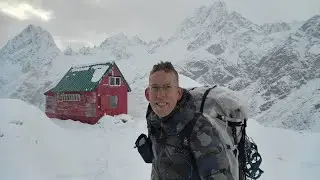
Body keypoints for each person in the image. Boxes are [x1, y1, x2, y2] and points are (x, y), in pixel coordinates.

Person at [143, 61, 234, 180]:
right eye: (155, 88)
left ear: (178, 93)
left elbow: (219, 175)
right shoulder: (154, 121)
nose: (160, 95)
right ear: (147, 94)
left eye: (167, 87)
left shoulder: (199, 128)